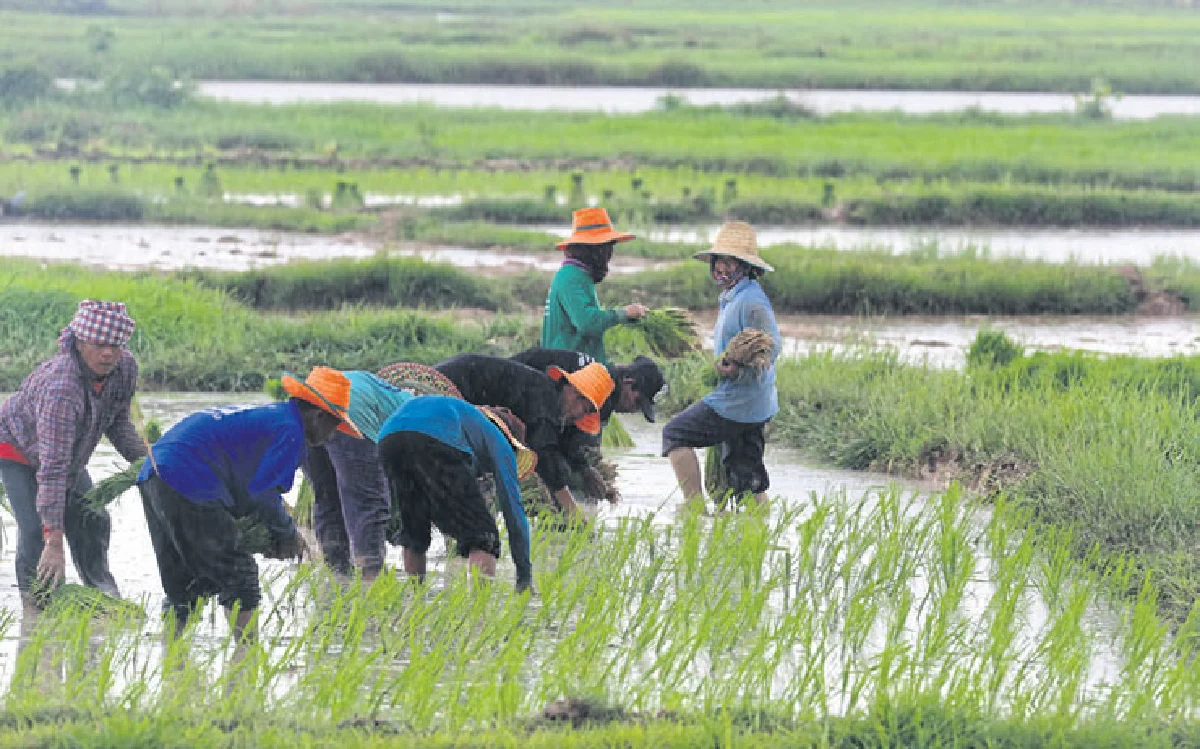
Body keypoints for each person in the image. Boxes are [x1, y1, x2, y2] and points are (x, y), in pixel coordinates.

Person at [136, 367, 361, 639]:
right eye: (334, 424)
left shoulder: (272, 416)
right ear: (318, 416)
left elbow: (248, 486)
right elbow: (264, 493)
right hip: (189, 476)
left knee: (183, 581)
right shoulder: (290, 430)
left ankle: (170, 653)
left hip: (154, 473)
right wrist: (286, 535)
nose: (333, 434)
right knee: (239, 575)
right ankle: (247, 652)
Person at [0, 300, 145, 604]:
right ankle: (37, 603)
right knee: (35, 530)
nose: (108, 353)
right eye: (99, 344)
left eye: (115, 345)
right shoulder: (62, 387)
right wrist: (54, 539)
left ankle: (101, 592)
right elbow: (53, 467)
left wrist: (149, 463)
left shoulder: (124, 368)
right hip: (17, 448)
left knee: (94, 517)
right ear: (79, 342)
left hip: (65, 453)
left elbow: (118, 424)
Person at [662, 221, 781, 511]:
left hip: (739, 402)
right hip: (751, 402)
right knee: (746, 476)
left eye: (729, 263)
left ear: (745, 266)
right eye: (718, 262)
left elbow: (773, 346)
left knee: (675, 433)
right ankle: (761, 529)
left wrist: (737, 369)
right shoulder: (733, 296)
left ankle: (694, 509)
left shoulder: (752, 301)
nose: (721, 269)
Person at [378, 396, 538, 592]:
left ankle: (415, 601)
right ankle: (481, 610)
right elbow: (513, 509)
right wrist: (524, 574)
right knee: (482, 535)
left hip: (388, 438)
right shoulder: (501, 442)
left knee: (414, 529)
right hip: (434, 437)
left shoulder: (467, 417)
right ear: (510, 439)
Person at [435, 354, 612, 515]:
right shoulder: (542, 397)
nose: (582, 415)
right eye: (586, 409)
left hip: (454, 386)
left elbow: (560, 443)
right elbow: (544, 454)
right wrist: (572, 511)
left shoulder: (548, 398)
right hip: (451, 387)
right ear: (574, 393)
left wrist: (584, 468)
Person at [303, 370, 415, 583]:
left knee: (327, 497)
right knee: (368, 501)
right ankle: (371, 580)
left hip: (308, 404)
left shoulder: (380, 389)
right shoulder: (415, 410)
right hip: (349, 409)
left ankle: (337, 576)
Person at [511, 347, 666, 500]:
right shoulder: (599, 391)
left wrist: (583, 467)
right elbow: (554, 442)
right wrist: (583, 471)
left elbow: (566, 438)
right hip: (513, 390)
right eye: (638, 402)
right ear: (628, 382)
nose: (634, 410)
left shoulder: (603, 385)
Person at [542, 207, 648, 364]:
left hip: (578, 362)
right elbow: (587, 323)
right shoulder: (571, 277)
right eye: (606, 248)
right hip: (568, 370)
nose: (609, 255)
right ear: (593, 250)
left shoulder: (578, 275)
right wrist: (623, 313)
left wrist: (630, 317)